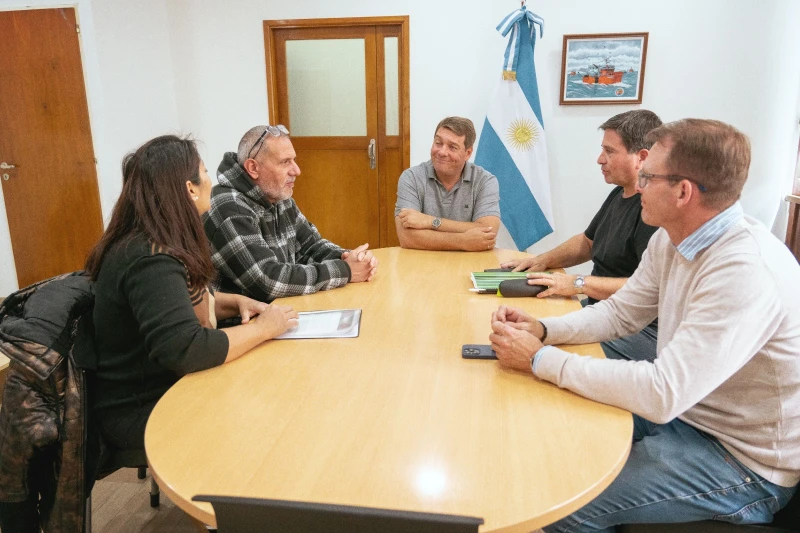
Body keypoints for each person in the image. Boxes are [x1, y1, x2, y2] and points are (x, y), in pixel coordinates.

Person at [489, 119, 800, 531]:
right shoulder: (672, 237)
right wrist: (543, 330)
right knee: (546, 431)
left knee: (557, 502)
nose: (638, 184)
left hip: (741, 461)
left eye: (648, 176)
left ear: (683, 191)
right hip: (689, 415)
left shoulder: (744, 270)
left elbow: (662, 392)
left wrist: (540, 359)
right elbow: (621, 314)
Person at [86, 135, 298, 450]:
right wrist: (263, 329)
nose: (211, 181)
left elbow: (177, 303)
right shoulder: (150, 259)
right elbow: (187, 350)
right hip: (142, 407)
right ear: (189, 188)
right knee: (268, 412)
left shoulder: (149, 241)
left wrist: (233, 301)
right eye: (205, 172)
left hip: (162, 386)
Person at [502, 110, 662, 362]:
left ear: (641, 158)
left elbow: (646, 290)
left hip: (640, 330)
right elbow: (587, 242)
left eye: (610, 151)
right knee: (526, 328)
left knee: (538, 351)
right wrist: (543, 260)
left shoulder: (652, 210)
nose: (600, 159)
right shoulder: (619, 195)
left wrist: (577, 283)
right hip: (603, 312)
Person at [204, 125, 378, 302]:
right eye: (285, 162)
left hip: (280, 310)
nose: (297, 170)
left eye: (294, 160)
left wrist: (348, 257)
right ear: (253, 168)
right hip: (243, 323)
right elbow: (268, 280)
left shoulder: (278, 196)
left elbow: (310, 247)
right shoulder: (228, 207)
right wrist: (345, 270)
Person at [395, 117, 501, 251]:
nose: (442, 152)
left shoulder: (485, 181)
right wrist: (462, 241)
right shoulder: (411, 178)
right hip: (422, 264)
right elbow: (407, 237)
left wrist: (429, 221)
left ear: (467, 153)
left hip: (471, 263)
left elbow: (487, 231)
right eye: (438, 143)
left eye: (452, 147)